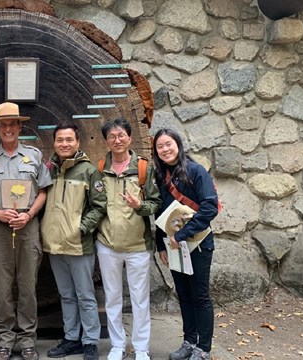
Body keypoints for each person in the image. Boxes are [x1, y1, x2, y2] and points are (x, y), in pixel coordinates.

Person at [0, 102, 52, 360]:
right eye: (2, 125)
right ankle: (5, 339)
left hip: (27, 229)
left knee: (28, 286)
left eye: (12, 124)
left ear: (19, 126)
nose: (7, 129)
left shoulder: (34, 156)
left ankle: (27, 340)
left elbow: (43, 191)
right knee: (2, 288)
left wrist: (29, 214)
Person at [95, 119, 161, 360]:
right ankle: (117, 345)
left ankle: (141, 347)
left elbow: (156, 203)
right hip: (107, 244)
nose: (117, 140)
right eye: (112, 136)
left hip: (137, 246)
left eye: (121, 135)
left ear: (130, 138)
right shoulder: (100, 168)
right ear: (106, 141)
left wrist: (139, 205)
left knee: (140, 298)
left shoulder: (143, 168)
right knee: (112, 297)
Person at [40, 124, 106, 360]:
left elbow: (99, 206)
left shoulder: (89, 171)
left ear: (78, 142)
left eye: (69, 139)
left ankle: (89, 342)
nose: (64, 144)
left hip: (79, 245)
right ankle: (71, 338)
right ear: (54, 143)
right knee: (66, 295)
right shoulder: (48, 171)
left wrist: (82, 229)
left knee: (85, 295)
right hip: (54, 244)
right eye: (60, 140)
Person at [152, 128, 219, 360]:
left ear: (178, 144)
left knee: (200, 296)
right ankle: (189, 342)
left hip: (198, 244)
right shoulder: (161, 176)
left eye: (168, 144)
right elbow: (161, 213)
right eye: (160, 146)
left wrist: (182, 235)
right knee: (184, 294)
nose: (165, 149)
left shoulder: (196, 171)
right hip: (173, 246)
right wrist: (160, 245)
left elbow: (210, 207)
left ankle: (204, 349)